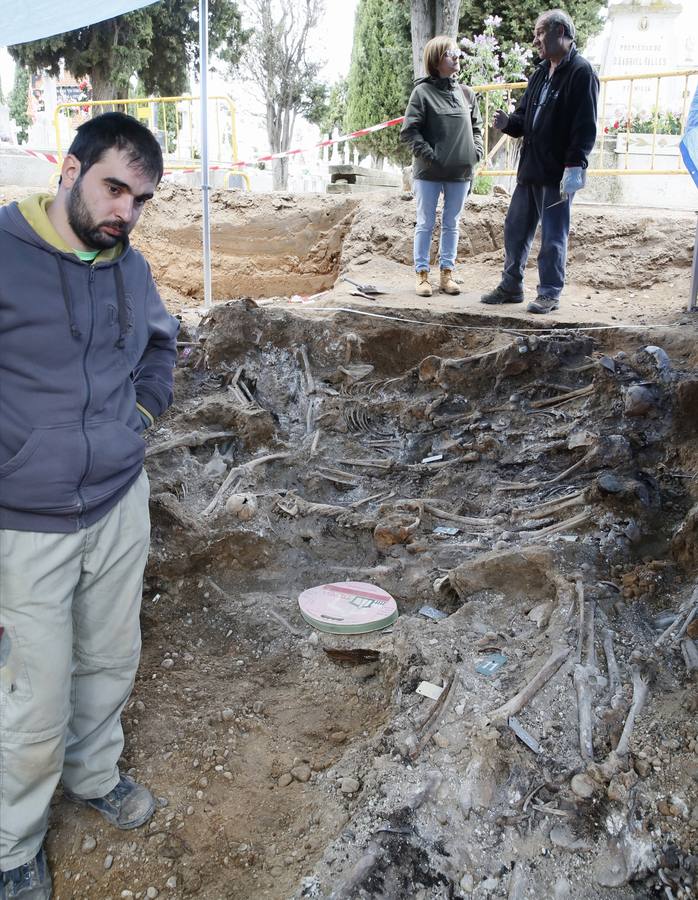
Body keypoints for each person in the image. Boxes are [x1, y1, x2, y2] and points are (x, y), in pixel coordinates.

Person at [0, 112, 179, 899]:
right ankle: (14, 846)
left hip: (117, 504)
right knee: (33, 695)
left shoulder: (129, 268)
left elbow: (161, 347)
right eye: (114, 188)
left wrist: (135, 423)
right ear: (68, 171)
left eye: (140, 200)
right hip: (25, 519)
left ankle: (94, 773)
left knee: (109, 661)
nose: (125, 213)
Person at [481, 8, 599, 314]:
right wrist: (509, 123)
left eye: (540, 33)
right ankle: (511, 286)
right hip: (531, 167)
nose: (535, 40)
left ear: (560, 33)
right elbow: (523, 118)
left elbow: (585, 125)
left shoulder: (581, 72)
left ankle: (549, 292)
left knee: (552, 235)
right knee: (515, 228)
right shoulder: (539, 73)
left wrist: (576, 165)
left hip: (559, 172)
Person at [401, 35, 483, 298]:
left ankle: (447, 274)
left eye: (457, 53)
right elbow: (410, 132)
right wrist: (431, 156)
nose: (457, 57)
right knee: (425, 222)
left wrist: (475, 152)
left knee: (452, 223)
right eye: (450, 54)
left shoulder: (466, 93)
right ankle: (422, 275)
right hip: (429, 173)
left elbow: (477, 128)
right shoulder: (421, 93)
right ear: (436, 61)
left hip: (461, 173)